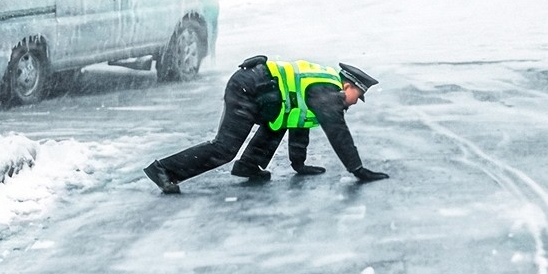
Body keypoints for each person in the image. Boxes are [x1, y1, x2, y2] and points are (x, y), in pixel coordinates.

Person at [142, 56, 390, 193]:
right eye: (358, 96)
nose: (356, 102)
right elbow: (338, 133)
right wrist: (357, 169)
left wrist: (299, 164)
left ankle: (249, 166)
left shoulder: (322, 88)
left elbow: (299, 120)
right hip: (248, 88)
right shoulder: (328, 92)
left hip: (260, 90)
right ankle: (163, 169)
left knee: (280, 120)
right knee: (225, 148)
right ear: (348, 86)